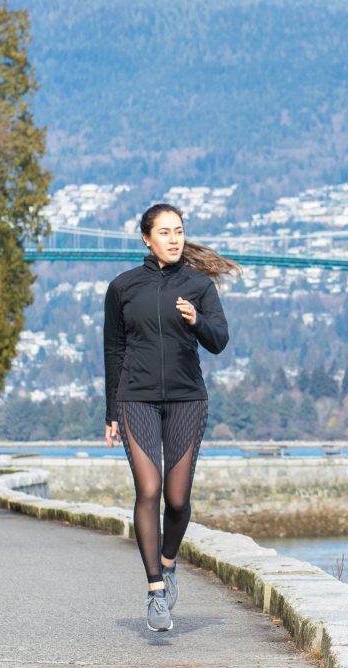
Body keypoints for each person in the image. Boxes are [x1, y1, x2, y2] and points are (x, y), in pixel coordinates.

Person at [103, 203, 238, 632]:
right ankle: (154, 590)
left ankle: (168, 560)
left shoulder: (198, 286)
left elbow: (219, 340)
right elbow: (113, 352)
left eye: (178, 231)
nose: (174, 239)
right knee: (149, 487)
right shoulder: (122, 287)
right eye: (164, 232)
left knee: (177, 500)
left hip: (186, 399)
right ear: (146, 238)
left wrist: (197, 320)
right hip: (136, 399)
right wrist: (111, 411)